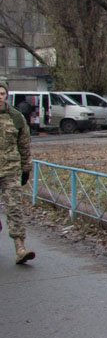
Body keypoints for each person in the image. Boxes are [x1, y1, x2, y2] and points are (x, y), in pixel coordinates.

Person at [0, 82, 35, 264]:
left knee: (14, 208)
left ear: (7, 95)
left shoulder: (16, 117)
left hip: (10, 170)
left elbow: (24, 145)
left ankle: (20, 248)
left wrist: (26, 169)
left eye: (2, 93)